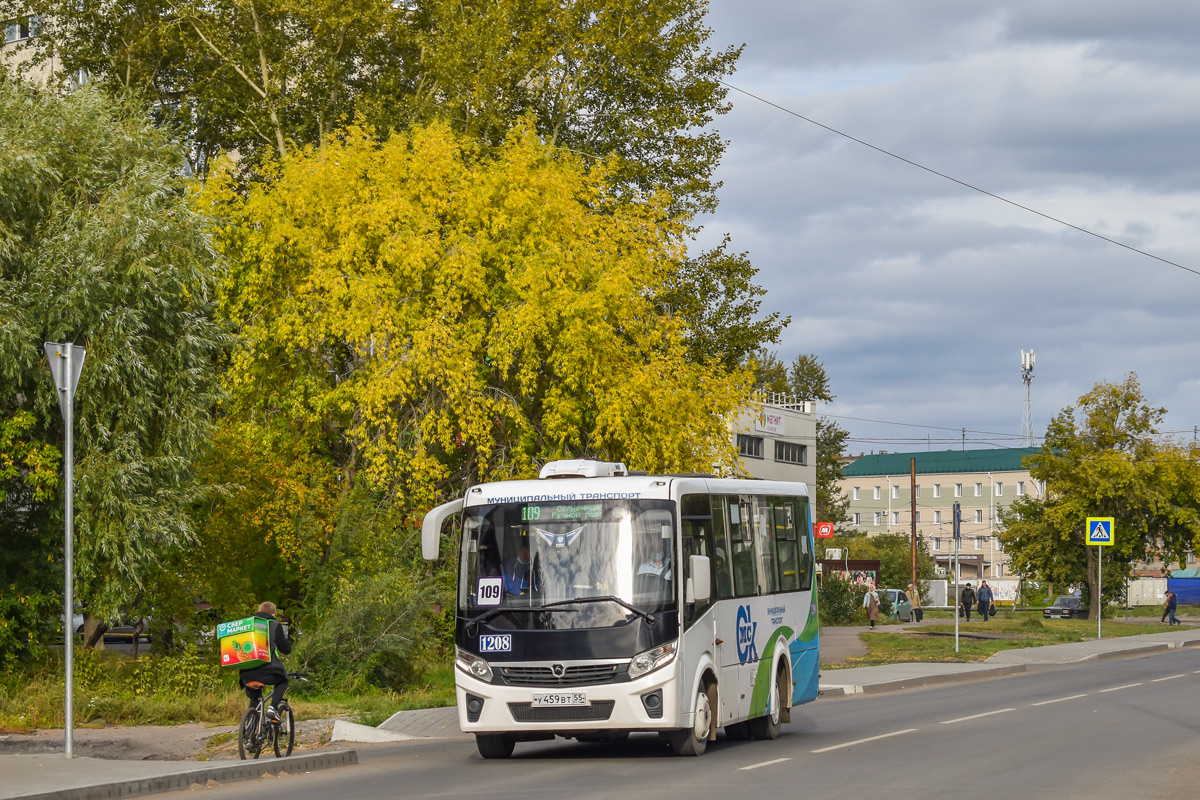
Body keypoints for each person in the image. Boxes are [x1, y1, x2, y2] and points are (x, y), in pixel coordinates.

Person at [238, 601, 291, 722]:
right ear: (273, 614)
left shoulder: (246, 625)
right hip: (269, 672)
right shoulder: (274, 625)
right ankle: (273, 707)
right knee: (283, 680)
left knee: (255, 700)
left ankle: (249, 730)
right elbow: (286, 649)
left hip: (246, 674)